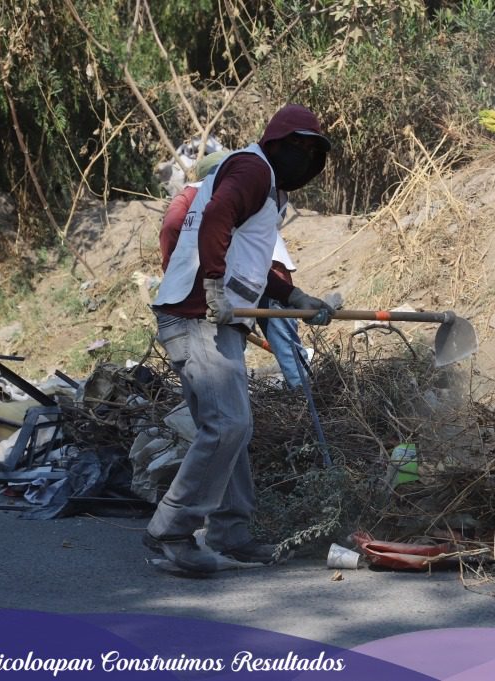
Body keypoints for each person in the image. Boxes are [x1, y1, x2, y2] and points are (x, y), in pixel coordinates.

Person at [146, 104, 334, 574]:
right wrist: (211, 285)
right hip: (196, 317)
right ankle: (171, 531)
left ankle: (232, 534)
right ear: (278, 143)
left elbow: (251, 264)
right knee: (226, 424)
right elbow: (215, 217)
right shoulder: (252, 169)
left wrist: (295, 295)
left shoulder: (267, 187)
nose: (306, 158)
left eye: (314, 151)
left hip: (218, 320)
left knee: (235, 426)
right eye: (300, 147)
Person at [160, 151, 311, 390]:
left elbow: (171, 233)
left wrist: (179, 283)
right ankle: (306, 395)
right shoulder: (252, 185)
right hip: (266, 274)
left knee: (227, 356)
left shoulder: (194, 194)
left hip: (244, 277)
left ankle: (302, 395)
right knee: (286, 345)